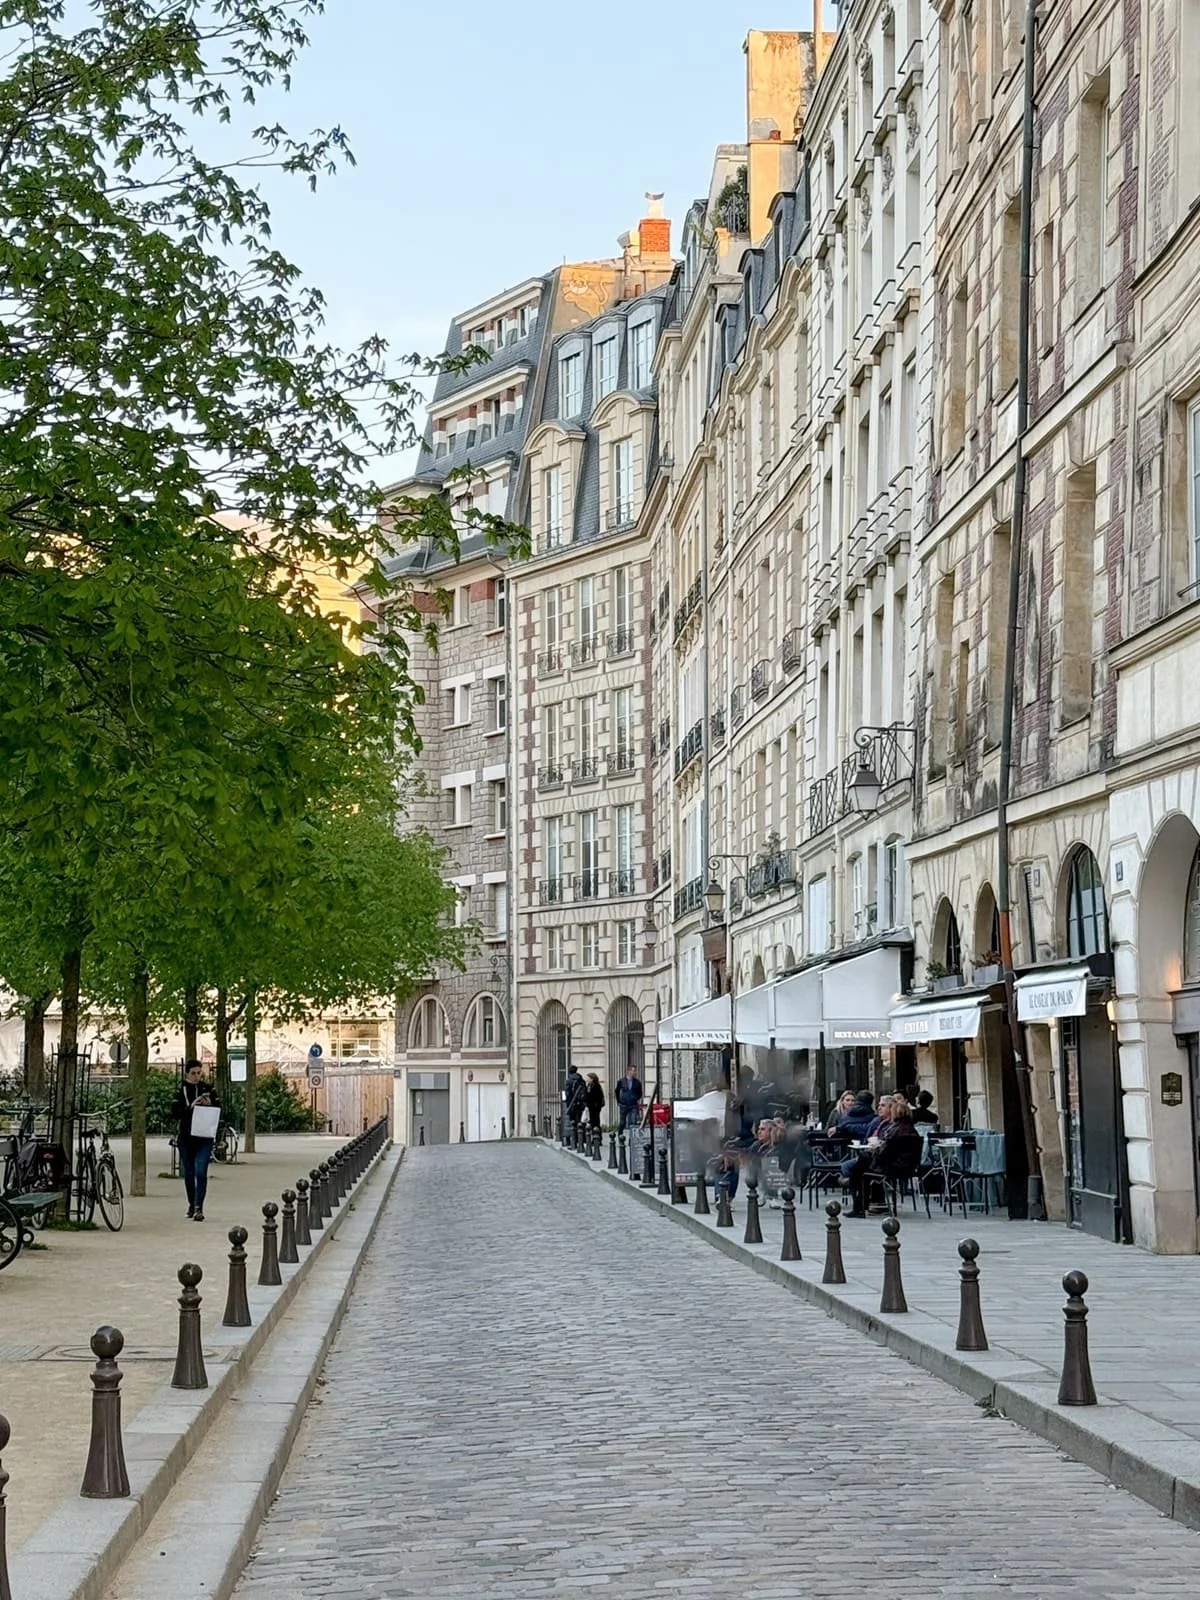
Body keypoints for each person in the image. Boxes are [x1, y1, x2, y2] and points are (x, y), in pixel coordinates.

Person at [172, 1060, 219, 1222]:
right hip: (186, 1136)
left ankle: (199, 1207)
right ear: (187, 1074)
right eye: (193, 1073)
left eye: (199, 1072)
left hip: (204, 1136)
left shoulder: (208, 1088)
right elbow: (175, 1112)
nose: (197, 1076)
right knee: (189, 1173)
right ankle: (192, 1203)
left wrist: (210, 1104)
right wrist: (190, 1107)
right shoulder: (181, 1090)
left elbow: (220, 1109)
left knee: (201, 1171)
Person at [615, 1065, 643, 1131]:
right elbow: (616, 1091)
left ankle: (632, 1139)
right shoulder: (621, 1081)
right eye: (633, 1071)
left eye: (635, 1071)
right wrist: (618, 1101)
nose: (635, 1072)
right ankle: (620, 1134)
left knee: (633, 1122)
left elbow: (640, 1093)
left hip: (633, 1105)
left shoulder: (637, 1082)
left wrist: (635, 1098)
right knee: (622, 1122)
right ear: (629, 1071)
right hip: (624, 1104)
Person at [563, 1064, 587, 1138]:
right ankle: (582, 1138)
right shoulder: (581, 1080)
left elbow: (567, 1094)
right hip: (581, 1103)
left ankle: (575, 1139)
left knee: (573, 1121)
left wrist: (568, 1103)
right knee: (580, 1120)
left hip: (572, 1104)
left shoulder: (568, 1081)